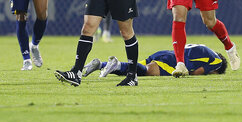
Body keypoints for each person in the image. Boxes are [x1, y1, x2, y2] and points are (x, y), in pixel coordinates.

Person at [83, 43, 228, 78]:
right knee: (145, 72)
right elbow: (197, 72)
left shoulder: (204, 48)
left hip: (166, 53)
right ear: (216, 71)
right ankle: (116, 64)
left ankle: (100, 64)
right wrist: (205, 73)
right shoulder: (217, 62)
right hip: (173, 61)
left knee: (135, 68)